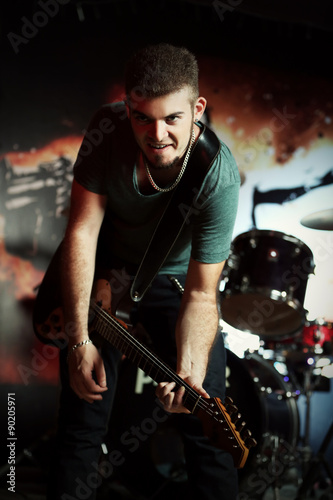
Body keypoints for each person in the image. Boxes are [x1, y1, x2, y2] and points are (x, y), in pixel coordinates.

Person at [48, 43, 241, 499]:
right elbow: (81, 233)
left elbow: (199, 293)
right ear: (127, 108)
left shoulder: (217, 175)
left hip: (174, 286)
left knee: (204, 423)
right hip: (104, 278)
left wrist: (189, 373)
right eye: (142, 118)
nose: (157, 134)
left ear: (197, 108)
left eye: (173, 118)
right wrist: (79, 341)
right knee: (81, 420)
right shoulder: (106, 128)